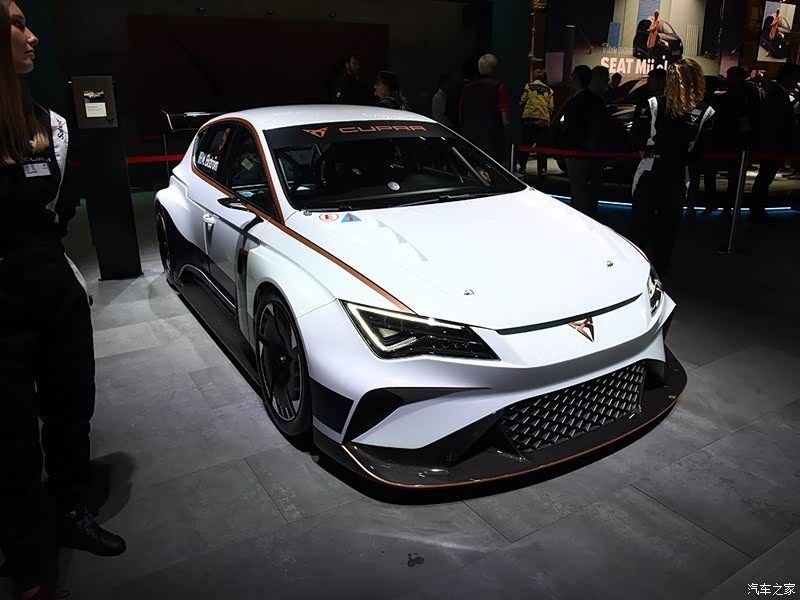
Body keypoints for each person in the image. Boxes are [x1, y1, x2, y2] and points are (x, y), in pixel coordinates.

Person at [0, 2, 127, 599]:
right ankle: (26, 555)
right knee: (10, 433)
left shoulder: (50, 124)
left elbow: (60, 207)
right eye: (17, 25)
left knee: (71, 407)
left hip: (52, 286)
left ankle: (73, 511)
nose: (32, 37)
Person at [631, 58, 715, 278]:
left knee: (640, 229)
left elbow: (637, 139)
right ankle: (657, 278)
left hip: (652, 169)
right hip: (677, 172)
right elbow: (698, 153)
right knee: (666, 233)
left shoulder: (653, 104)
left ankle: (635, 276)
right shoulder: (706, 112)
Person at [703, 67, 759, 216]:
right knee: (726, 176)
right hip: (728, 140)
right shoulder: (744, 95)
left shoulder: (741, 97)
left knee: (726, 176)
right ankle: (723, 206)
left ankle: (719, 205)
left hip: (730, 140)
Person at [561, 65, 614, 215]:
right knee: (588, 192)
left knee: (579, 192)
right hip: (589, 153)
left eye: (572, 77)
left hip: (579, 153)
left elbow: (573, 127)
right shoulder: (595, 100)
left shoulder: (579, 100)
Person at [750, 63, 799, 222]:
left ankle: (757, 209)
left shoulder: (777, 94)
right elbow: (776, 122)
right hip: (773, 144)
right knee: (765, 176)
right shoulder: (777, 96)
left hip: (772, 143)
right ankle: (757, 210)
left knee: (765, 177)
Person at [459, 53, 511, 163]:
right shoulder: (499, 86)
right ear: (494, 68)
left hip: (470, 139)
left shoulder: (467, 88)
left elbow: (461, 114)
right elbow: (505, 119)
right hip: (492, 140)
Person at [517, 68, 554, 176]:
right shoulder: (549, 90)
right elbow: (551, 107)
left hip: (529, 118)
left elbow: (522, 100)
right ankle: (541, 169)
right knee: (542, 146)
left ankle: (522, 167)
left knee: (526, 145)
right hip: (543, 120)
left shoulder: (528, 86)